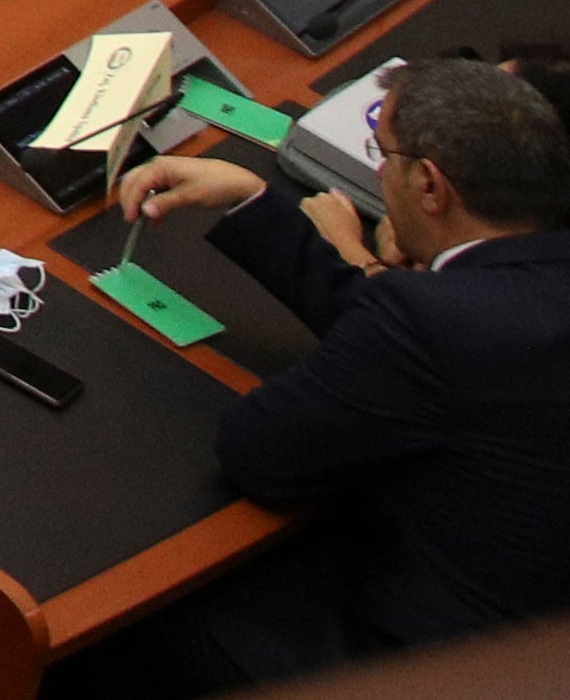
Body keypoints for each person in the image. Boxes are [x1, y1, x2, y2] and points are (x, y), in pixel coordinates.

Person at [101, 59, 570, 686]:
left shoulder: (428, 318)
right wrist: (253, 201)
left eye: (386, 153)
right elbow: (448, 344)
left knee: (127, 625)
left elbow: (259, 453)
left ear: (430, 185)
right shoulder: (497, 296)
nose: (379, 170)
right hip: (539, 631)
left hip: (436, 665)